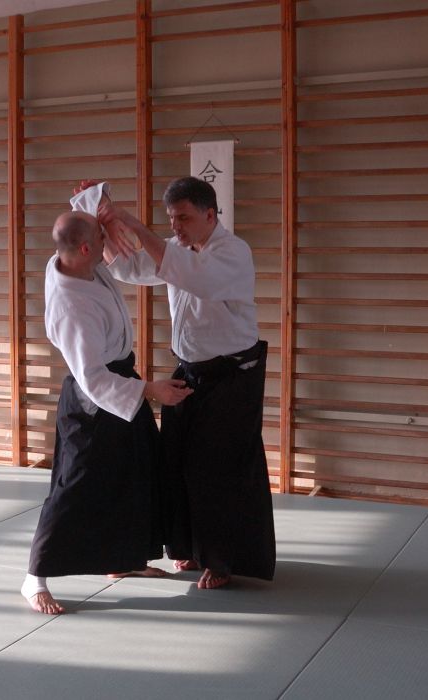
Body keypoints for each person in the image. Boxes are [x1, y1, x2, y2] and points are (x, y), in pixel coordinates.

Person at [92, 176, 276, 590]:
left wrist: (134, 225)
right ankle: (191, 547)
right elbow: (127, 268)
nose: (176, 226)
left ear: (210, 215)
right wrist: (105, 219)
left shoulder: (233, 252)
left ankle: (221, 559)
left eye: (184, 218)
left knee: (217, 468)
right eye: (171, 218)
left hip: (232, 376)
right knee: (177, 461)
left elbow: (196, 277)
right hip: (190, 372)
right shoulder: (176, 249)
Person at [21, 210, 192, 614]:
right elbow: (92, 378)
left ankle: (123, 558)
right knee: (75, 484)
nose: (108, 244)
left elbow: (80, 221)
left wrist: (99, 202)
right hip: (93, 399)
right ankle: (34, 577)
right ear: (85, 249)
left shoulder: (74, 260)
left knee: (135, 470)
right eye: (102, 239)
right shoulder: (71, 306)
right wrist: (150, 390)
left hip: (120, 380)